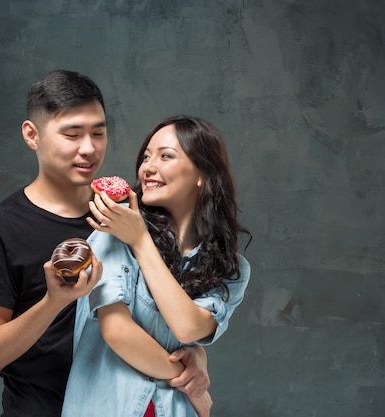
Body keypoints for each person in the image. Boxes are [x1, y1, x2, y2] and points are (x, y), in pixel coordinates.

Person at [0, 71, 211, 417]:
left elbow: (172, 307)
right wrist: (54, 302)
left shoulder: (134, 212)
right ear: (31, 135)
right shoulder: (0, 231)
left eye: (99, 132)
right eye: (72, 134)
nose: (89, 148)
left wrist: (196, 354)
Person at [61, 116, 251, 416]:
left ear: (202, 173)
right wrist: (195, 387)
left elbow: (188, 327)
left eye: (165, 156)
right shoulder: (116, 226)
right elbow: (117, 332)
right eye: (146, 156)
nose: (148, 166)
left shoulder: (230, 267)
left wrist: (140, 242)